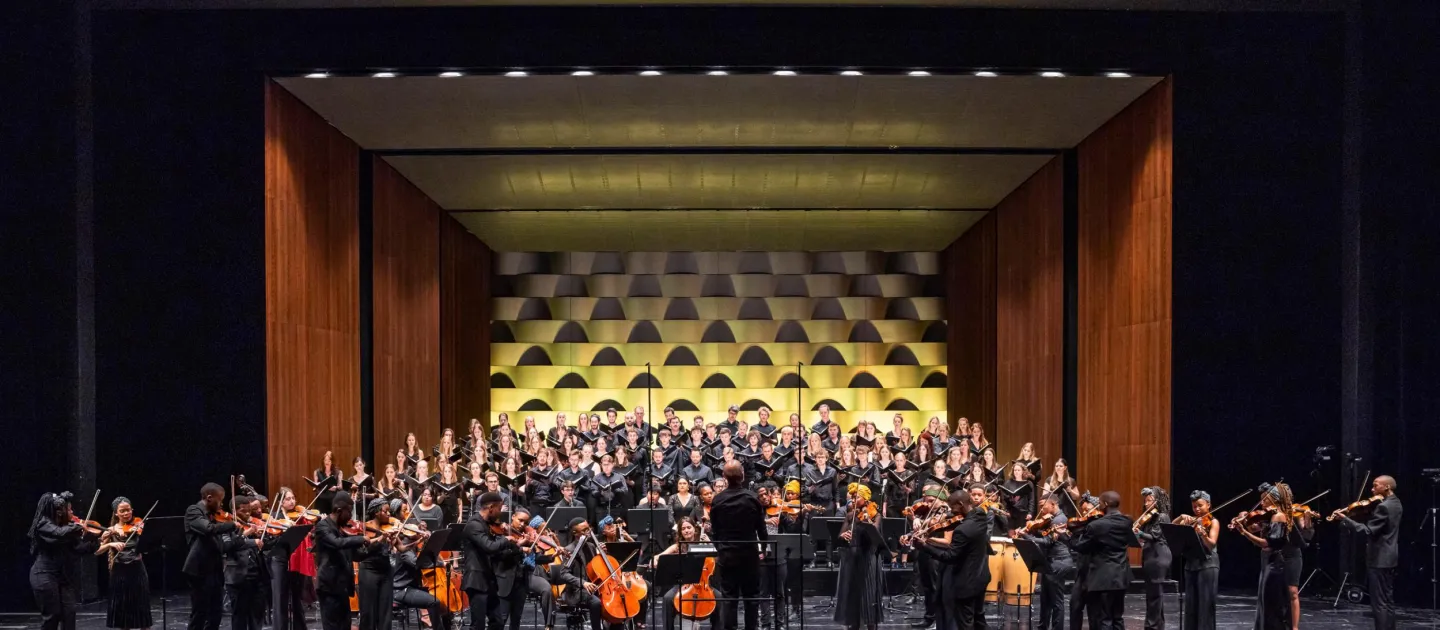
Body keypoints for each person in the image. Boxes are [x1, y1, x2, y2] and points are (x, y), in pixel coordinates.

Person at [1334, 475, 1402, 630]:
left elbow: (1367, 531)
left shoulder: (1384, 507)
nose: (1372, 489)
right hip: (1390, 556)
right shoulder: (1396, 503)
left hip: (1379, 558)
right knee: (1388, 600)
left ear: (1387, 487)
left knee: (1379, 603)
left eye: (1375, 485)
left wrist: (1346, 519)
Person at [709, 461, 767, 630]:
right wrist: (764, 548)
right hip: (749, 554)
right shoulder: (751, 498)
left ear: (725, 478)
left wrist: (720, 548)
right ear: (742, 476)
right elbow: (761, 529)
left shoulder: (718, 500)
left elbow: (715, 531)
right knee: (751, 597)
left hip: (727, 555)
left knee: (729, 598)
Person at [29, 492, 100, 630]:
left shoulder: (67, 528)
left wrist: (98, 542)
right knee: (52, 615)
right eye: (69, 509)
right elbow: (58, 533)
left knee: (69, 613)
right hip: (44, 574)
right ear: (58, 511)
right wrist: (79, 526)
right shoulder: (43, 524)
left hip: (62, 576)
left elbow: (79, 548)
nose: (72, 512)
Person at [921, 489, 989, 630]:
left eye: (953, 508)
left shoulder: (962, 531)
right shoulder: (981, 516)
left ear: (960, 504)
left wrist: (924, 546)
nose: (952, 512)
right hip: (981, 577)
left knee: (964, 623)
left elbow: (949, 556)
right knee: (979, 619)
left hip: (966, 583)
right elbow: (962, 519)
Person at [1232, 482, 1294, 630]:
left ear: (1274, 499)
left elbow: (1266, 543)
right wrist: (1241, 522)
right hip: (1266, 562)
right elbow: (1254, 527)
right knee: (1263, 603)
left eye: (1265, 499)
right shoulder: (1269, 516)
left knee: (1271, 606)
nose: (1262, 503)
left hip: (1275, 565)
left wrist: (1243, 532)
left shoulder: (1279, 517)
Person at [462, 491, 526, 630]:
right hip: (476, 580)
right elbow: (489, 547)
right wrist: (506, 539)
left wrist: (518, 548)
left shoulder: (488, 525)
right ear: (491, 507)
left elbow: (498, 553)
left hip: (489, 579)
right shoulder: (474, 525)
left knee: (497, 622)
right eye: (499, 508)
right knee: (477, 625)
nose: (500, 513)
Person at [184, 483, 244, 630]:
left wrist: (239, 537)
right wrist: (232, 524)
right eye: (220, 500)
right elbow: (208, 529)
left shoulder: (212, 516)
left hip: (215, 570)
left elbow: (222, 546)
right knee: (199, 614)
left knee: (215, 615)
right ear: (209, 498)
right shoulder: (194, 511)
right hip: (199, 571)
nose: (222, 504)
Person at [313, 491, 371, 630]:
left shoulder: (342, 529)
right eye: (349, 512)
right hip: (329, 586)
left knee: (345, 625)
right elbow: (337, 543)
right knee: (332, 626)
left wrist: (376, 545)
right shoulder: (323, 526)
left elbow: (355, 555)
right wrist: (361, 539)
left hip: (342, 586)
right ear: (339, 511)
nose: (351, 516)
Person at [834, 484, 886, 630]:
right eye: (852, 497)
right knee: (852, 591)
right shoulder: (850, 515)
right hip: (851, 555)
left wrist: (866, 519)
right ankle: (854, 623)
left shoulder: (875, 514)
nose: (853, 500)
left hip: (868, 555)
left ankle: (870, 623)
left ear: (865, 498)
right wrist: (843, 535)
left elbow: (875, 532)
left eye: (857, 497)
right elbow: (839, 536)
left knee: (868, 592)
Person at [1075, 491, 1130, 630]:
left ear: (1105, 504)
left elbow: (1081, 547)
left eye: (1099, 503)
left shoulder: (1097, 525)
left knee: (1104, 619)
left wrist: (1068, 537)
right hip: (1121, 575)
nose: (1098, 506)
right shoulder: (1127, 521)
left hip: (1103, 578)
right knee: (1117, 617)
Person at [1017, 494, 1072, 630]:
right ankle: (1042, 627)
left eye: (1043, 506)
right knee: (1045, 598)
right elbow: (1045, 536)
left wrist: (1026, 536)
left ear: (1053, 504)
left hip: (1059, 561)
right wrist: (1034, 530)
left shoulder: (1059, 520)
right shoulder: (1051, 519)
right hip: (1051, 561)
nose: (1041, 509)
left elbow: (1047, 542)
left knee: (1056, 600)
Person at [1172, 491, 1221, 630]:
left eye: (1200, 505)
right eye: (1194, 506)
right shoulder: (1190, 521)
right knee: (1191, 605)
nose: (1197, 509)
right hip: (1191, 565)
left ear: (1208, 505)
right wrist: (1181, 517)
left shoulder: (1213, 521)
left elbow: (1211, 545)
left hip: (1208, 565)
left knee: (1206, 605)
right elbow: (1171, 527)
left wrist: (1203, 533)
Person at [222, 494, 268, 630]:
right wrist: (248, 535)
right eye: (244, 511)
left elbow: (266, 544)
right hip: (238, 577)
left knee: (257, 616)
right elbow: (228, 545)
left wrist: (263, 536)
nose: (248, 513)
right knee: (239, 617)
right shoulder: (225, 525)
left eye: (249, 510)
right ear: (234, 511)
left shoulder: (253, 523)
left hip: (258, 575)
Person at [269, 487, 310, 630]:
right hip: (279, 559)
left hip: (296, 560)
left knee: (297, 598)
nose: (292, 501)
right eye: (288, 499)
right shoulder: (274, 516)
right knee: (280, 598)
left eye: (293, 498)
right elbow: (269, 540)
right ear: (280, 502)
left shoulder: (299, 517)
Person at [356, 499, 398, 630]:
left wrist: (417, 540)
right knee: (368, 612)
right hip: (369, 571)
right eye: (386, 511)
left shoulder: (389, 528)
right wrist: (380, 538)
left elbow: (401, 548)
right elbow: (361, 550)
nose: (389, 514)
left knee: (385, 612)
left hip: (385, 571)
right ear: (376, 512)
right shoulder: (364, 527)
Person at [1134, 487, 1172, 630]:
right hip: (1151, 554)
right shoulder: (1149, 517)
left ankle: (1152, 625)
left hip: (1159, 555)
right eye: (1145, 501)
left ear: (1157, 501)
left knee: (1154, 594)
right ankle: (1156, 625)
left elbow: (1155, 537)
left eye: (1149, 500)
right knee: (1153, 593)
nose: (1146, 503)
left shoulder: (1162, 516)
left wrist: (1139, 533)